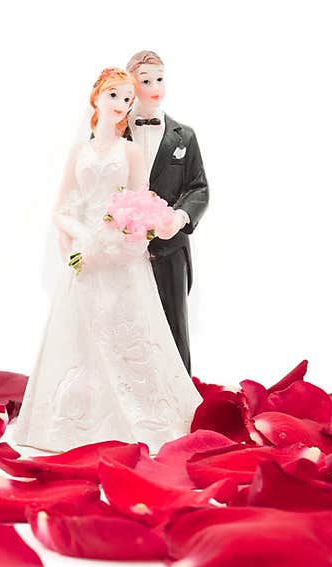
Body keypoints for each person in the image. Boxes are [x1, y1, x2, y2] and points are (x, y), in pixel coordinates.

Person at [12, 67, 203, 454]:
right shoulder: (78, 151)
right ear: (96, 96)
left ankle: (143, 415)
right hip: (87, 256)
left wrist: (121, 235)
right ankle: (78, 418)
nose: (121, 105)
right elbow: (62, 207)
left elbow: (139, 201)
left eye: (127, 99)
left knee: (130, 332)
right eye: (114, 95)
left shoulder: (130, 151)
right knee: (80, 335)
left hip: (120, 255)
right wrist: (83, 236)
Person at [125, 50, 209, 376]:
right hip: (124, 247)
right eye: (146, 81)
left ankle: (178, 393)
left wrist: (179, 217)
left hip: (169, 247)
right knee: (127, 321)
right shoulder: (116, 133)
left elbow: (199, 187)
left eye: (159, 79)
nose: (155, 87)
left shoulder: (183, 136)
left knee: (173, 321)